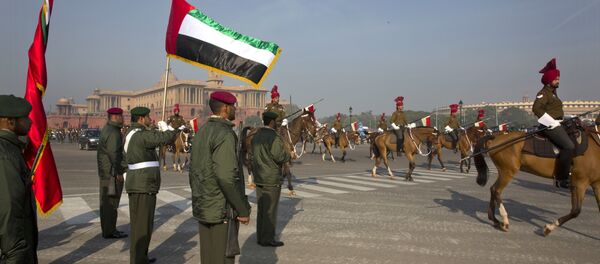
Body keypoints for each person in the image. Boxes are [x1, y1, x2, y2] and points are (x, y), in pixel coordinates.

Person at [189, 91, 251, 264]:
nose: (235, 110)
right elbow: (226, 178)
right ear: (225, 108)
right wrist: (242, 208)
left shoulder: (202, 131)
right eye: (233, 107)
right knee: (222, 258)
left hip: (204, 204)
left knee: (208, 258)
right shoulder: (224, 134)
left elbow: (193, 171)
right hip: (221, 208)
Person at [124, 107, 178, 263]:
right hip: (143, 185)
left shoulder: (131, 134)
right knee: (142, 225)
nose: (150, 119)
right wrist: (167, 128)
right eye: (148, 117)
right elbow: (166, 138)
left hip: (139, 183)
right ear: (141, 119)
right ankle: (139, 259)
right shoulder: (140, 135)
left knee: (140, 224)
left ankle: (140, 257)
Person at [0, 95, 37, 263]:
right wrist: (16, 249)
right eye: (25, 118)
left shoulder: (10, 147)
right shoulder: (6, 154)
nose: (29, 122)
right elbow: (9, 206)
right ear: (10, 122)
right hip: (15, 246)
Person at [532, 58, 574, 189]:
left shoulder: (553, 94)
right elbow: (537, 109)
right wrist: (551, 123)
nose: (558, 81)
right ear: (549, 81)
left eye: (558, 78)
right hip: (550, 125)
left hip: (558, 122)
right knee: (569, 146)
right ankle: (562, 177)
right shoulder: (543, 93)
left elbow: (556, 111)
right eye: (556, 79)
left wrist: (570, 118)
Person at [251, 111, 291, 247]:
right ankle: (268, 239)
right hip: (271, 178)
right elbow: (279, 156)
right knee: (270, 210)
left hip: (259, 177)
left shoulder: (256, 136)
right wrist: (288, 155)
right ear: (272, 122)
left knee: (262, 209)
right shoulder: (274, 137)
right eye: (276, 121)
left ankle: (261, 237)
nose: (277, 123)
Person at [97, 107, 128, 239]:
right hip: (111, 174)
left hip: (106, 172)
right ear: (115, 117)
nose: (123, 119)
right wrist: (119, 172)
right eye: (122, 116)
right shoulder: (114, 132)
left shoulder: (107, 129)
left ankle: (108, 229)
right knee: (111, 203)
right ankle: (110, 231)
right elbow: (114, 155)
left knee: (107, 203)